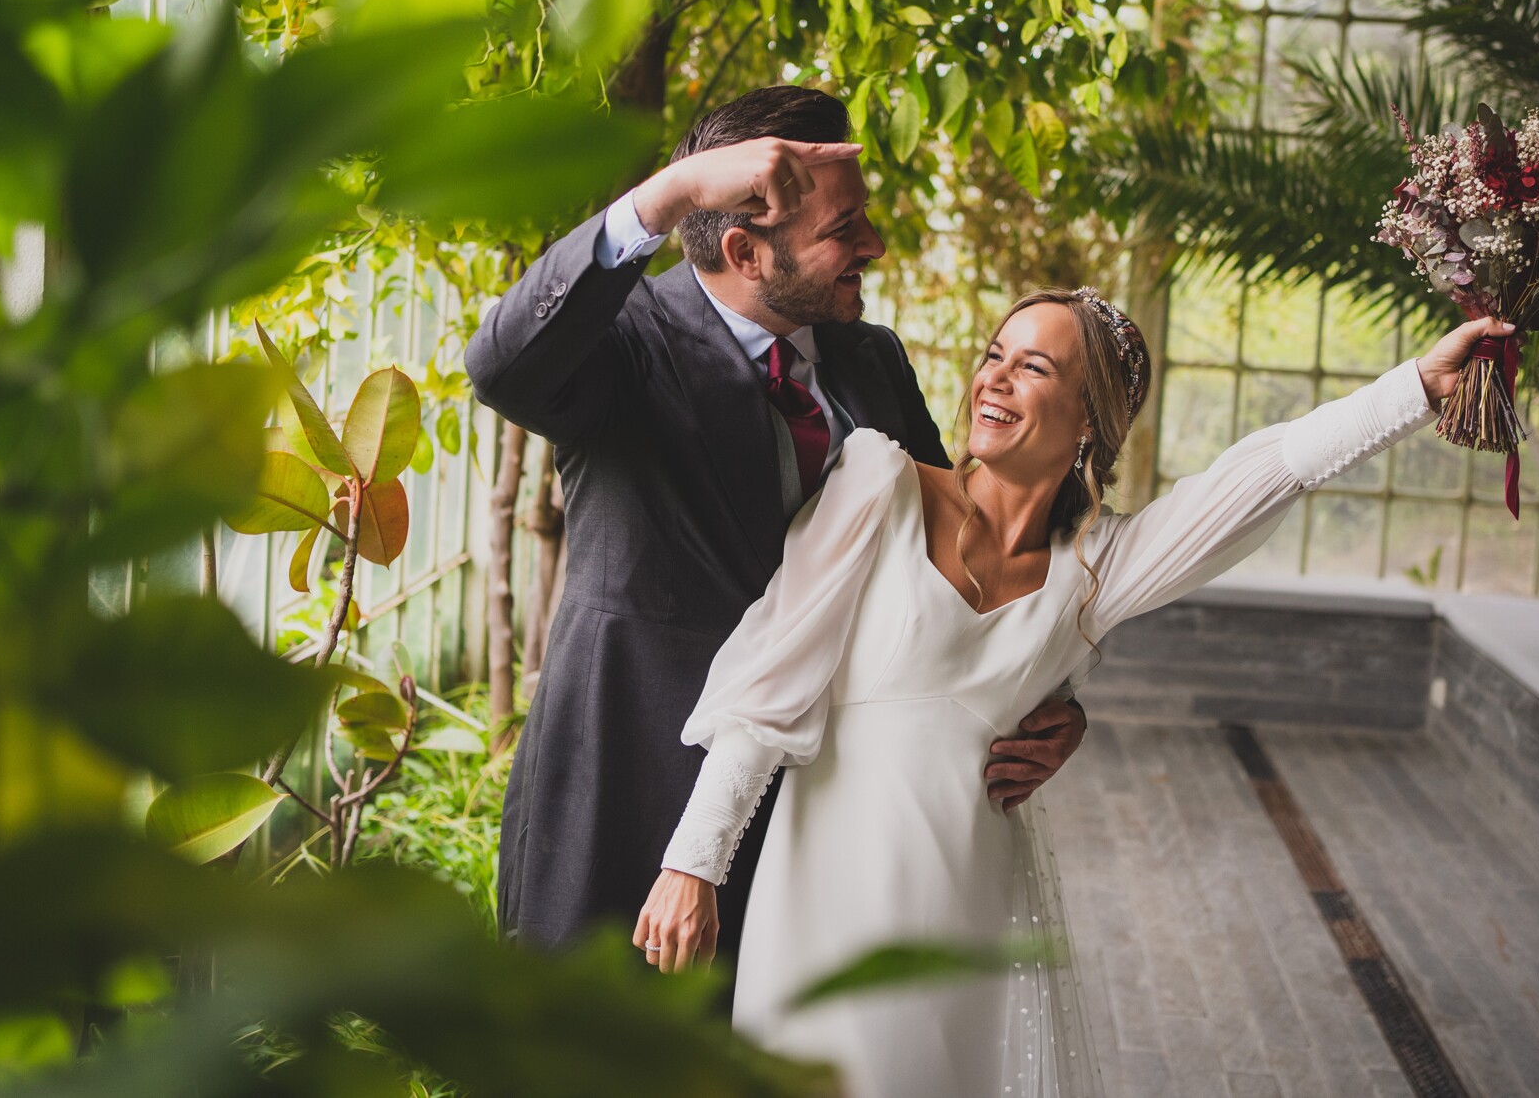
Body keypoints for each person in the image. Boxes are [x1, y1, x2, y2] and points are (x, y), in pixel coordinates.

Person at [635, 286, 1512, 1097]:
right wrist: (693, 863)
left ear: (1088, 420)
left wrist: (1416, 389)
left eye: (1035, 366)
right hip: (824, 891)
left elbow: (1264, 472)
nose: (996, 377)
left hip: (969, 902)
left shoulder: (1095, 570)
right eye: (995, 353)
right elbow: (771, 683)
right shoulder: (878, 485)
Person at [463, 85, 1088, 966]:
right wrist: (668, 192)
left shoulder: (872, 361)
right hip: (625, 788)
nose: (872, 245)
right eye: (845, 231)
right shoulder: (624, 341)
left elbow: (959, 549)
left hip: (822, 811)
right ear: (744, 248)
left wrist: (1050, 705)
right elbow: (501, 368)